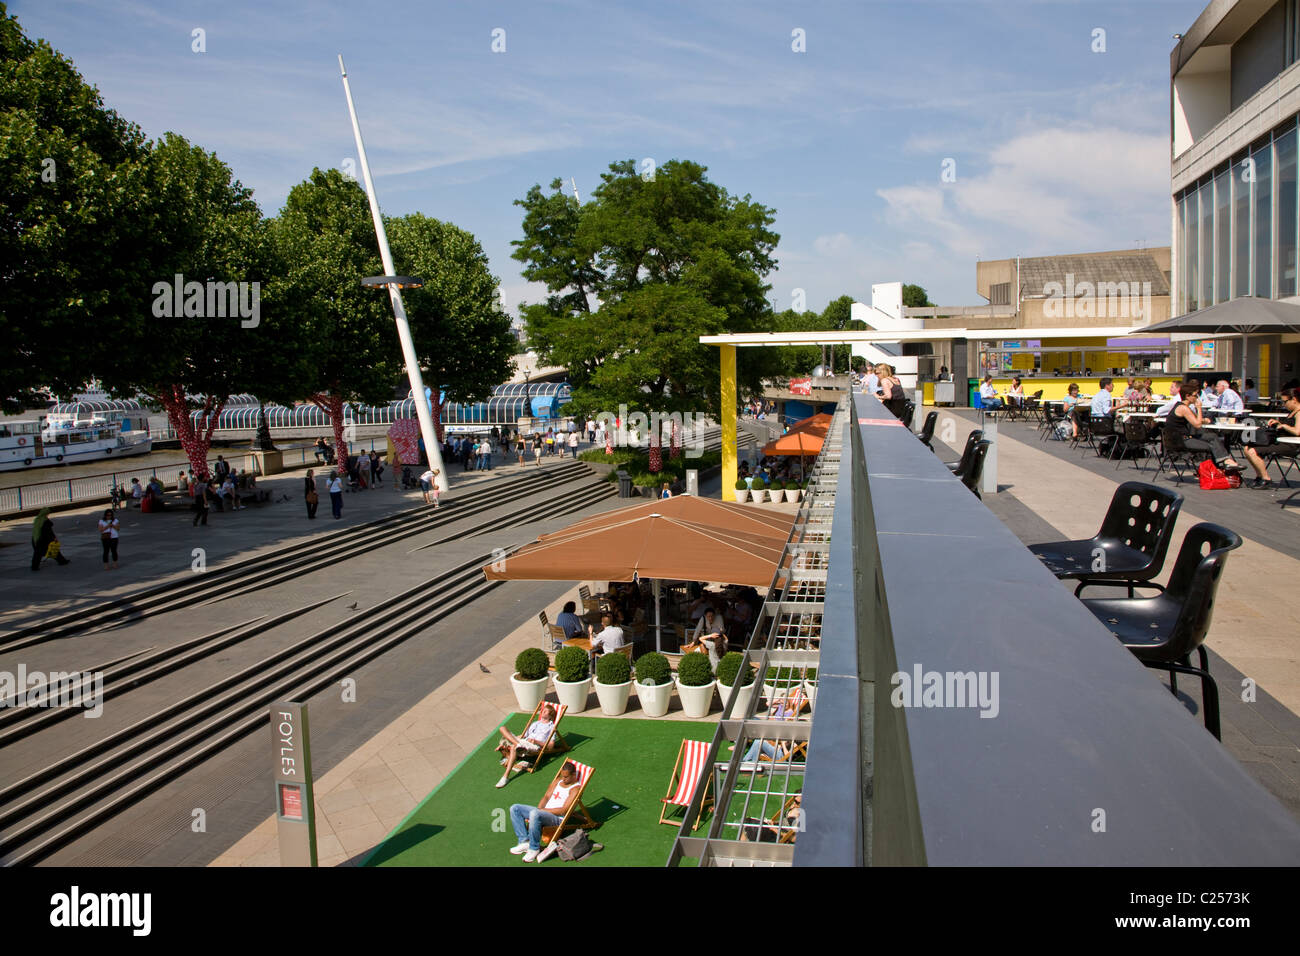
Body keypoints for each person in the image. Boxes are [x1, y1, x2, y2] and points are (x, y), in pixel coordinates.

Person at [1165, 379, 1244, 475]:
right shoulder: (1183, 408)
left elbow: (1194, 419)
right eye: (1195, 396)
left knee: (1212, 436)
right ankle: (1218, 469)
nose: (1196, 398)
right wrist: (1199, 408)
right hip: (1181, 441)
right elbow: (1197, 424)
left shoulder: (1181, 406)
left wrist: (1203, 420)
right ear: (1187, 396)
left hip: (1179, 439)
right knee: (1212, 446)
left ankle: (1225, 463)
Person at [508, 760, 583, 860]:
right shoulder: (558, 781)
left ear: (573, 775)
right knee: (515, 808)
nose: (563, 779)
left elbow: (564, 810)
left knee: (535, 813)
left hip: (557, 818)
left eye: (566, 777)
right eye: (562, 776)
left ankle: (534, 848)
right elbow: (546, 797)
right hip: (543, 812)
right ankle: (524, 842)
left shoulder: (575, 789)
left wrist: (541, 811)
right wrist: (539, 809)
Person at [1242, 387, 1300, 490]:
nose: (1283, 404)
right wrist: (1278, 423)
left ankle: (1266, 478)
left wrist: (1284, 426)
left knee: (1252, 450)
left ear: (1294, 400)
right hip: (1281, 442)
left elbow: (1297, 431)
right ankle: (1259, 476)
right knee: (1247, 448)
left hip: (1290, 445)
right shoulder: (1292, 412)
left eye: (1285, 401)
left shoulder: (1299, 413)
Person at [495, 703, 559, 789]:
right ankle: (516, 745)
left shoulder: (551, 727)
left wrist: (535, 741)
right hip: (523, 742)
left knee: (514, 747)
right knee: (502, 728)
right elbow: (523, 736)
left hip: (534, 745)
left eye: (545, 711)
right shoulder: (535, 723)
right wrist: (509, 741)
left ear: (550, 716)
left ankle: (505, 777)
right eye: (543, 710)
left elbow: (551, 746)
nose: (542, 711)